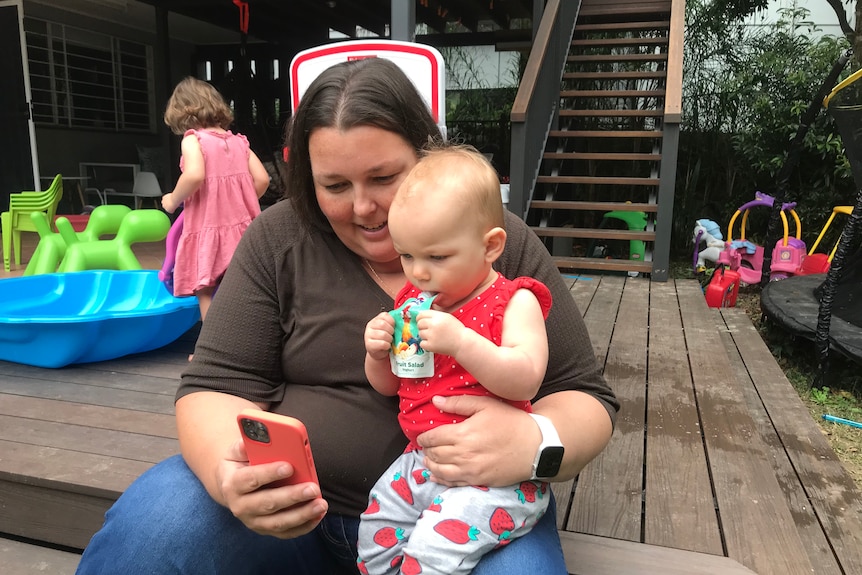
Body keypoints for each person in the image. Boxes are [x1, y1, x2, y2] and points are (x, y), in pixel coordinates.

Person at [75, 57, 618, 575]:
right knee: (155, 530)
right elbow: (213, 387)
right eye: (335, 185)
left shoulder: (492, 240)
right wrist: (228, 474)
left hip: (469, 509)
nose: (363, 208)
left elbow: (583, 395)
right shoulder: (276, 240)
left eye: (385, 178)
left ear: (427, 157)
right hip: (296, 524)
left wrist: (536, 444)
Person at [359, 144, 554, 575]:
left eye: (437, 257)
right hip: (420, 460)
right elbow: (390, 385)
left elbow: (526, 380)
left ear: (491, 246)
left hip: (494, 476)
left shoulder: (512, 300)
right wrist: (377, 354)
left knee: (432, 551)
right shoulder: (411, 300)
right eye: (407, 255)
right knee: (373, 536)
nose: (419, 273)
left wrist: (463, 343)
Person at [161, 76, 270, 323]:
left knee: (206, 287)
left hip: (208, 228)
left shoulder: (193, 140)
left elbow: (195, 175)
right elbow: (263, 179)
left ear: (182, 112)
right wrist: (240, 203)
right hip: (244, 228)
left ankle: (211, 349)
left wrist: (171, 200)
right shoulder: (239, 142)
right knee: (245, 285)